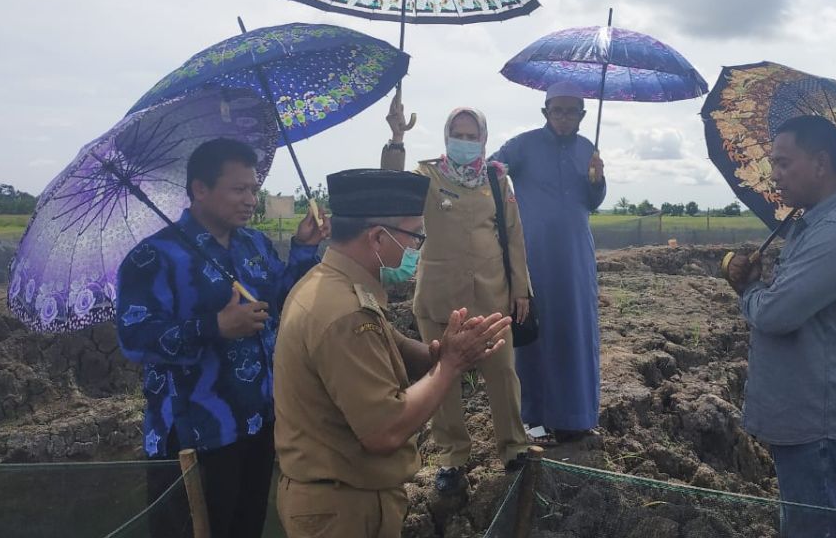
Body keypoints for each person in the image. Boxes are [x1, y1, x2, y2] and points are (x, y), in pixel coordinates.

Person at [272, 168, 512, 538]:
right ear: (378, 238)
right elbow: (384, 431)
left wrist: (440, 353)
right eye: (415, 235)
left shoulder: (333, 285)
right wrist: (449, 366)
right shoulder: (344, 315)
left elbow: (390, 346)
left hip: (345, 497)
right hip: (344, 511)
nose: (417, 249)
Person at [115, 137, 328, 538]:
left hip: (258, 422)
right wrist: (214, 326)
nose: (251, 200)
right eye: (239, 189)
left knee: (246, 527)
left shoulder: (255, 244)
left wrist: (302, 249)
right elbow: (135, 338)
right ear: (200, 189)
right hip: (195, 435)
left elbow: (277, 306)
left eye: (254, 190)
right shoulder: (154, 258)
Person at [723, 115, 836, 538]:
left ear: (820, 163)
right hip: (809, 421)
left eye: (783, 163)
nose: (774, 174)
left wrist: (749, 288)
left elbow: (777, 314)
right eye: (773, 163)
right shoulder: (814, 224)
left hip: (822, 427)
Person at [381, 97, 533, 492]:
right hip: (439, 299)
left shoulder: (497, 180)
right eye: (457, 135)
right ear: (447, 137)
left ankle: (514, 448)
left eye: (471, 136)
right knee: (442, 379)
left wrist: (522, 290)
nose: (464, 142)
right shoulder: (429, 176)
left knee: (502, 374)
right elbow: (392, 191)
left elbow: (514, 237)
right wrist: (397, 138)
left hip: (492, 297)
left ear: (483, 140)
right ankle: (451, 459)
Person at [489, 81, 606, 442]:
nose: (564, 117)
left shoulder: (589, 150)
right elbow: (492, 172)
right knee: (534, 334)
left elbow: (593, 201)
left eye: (572, 111)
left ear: (583, 116)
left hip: (574, 259)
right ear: (546, 112)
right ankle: (534, 418)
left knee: (575, 332)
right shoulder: (523, 145)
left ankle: (576, 417)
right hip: (533, 256)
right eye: (558, 110)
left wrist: (597, 180)